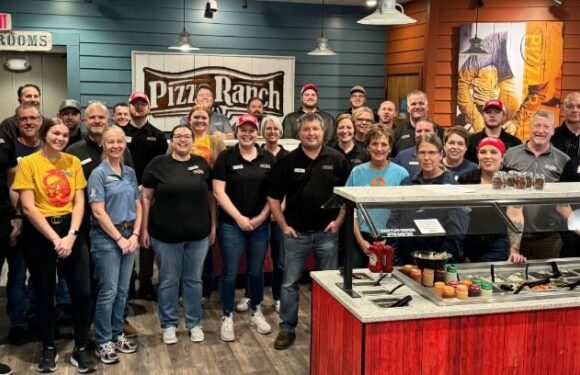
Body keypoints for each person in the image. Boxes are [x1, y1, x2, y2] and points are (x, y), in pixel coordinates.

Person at [12, 121, 96, 373]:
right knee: (44, 292)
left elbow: (80, 201)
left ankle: (80, 347)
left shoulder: (72, 162)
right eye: (55, 133)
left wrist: (71, 234)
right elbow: (27, 206)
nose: (61, 137)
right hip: (40, 232)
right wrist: (54, 239)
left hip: (71, 230)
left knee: (82, 291)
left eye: (64, 134)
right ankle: (48, 346)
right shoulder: (28, 163)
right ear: (44, 135)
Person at [268, 112, 348, 350]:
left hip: (328, 234)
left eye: (315, 129)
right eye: (306, 129)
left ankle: (327, 327)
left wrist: (339, 222)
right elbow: (273, 197)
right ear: (298, 132)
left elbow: (349, 196)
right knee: (289, 283)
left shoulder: (337, 159)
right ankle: (287, 328)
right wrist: (283, 225)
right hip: (296, 234)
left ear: (323, 132)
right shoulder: (287, 161)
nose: (311, 133)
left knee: (329, 283)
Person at [141, 124, 216, 345]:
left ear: (193, 141)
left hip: (198, 234)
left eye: (187, 136)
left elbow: (210, 198)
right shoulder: (157, 164)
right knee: (168, 280)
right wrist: (144, 228)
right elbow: (145, 198)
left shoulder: (202, 164)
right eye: (178, 136)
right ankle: (169, 324)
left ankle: (194, 323)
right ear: (171, 141)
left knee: (193, 280)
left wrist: (213, 225)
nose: (182, 140)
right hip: (165, 235)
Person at [213, 114, 275, 341]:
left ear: (257, 132)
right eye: (243, 129)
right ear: (237, 132)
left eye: (251, 130)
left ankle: (256, 311)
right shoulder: (226, 158)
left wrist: (261, 217)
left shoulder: (268, 158)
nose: (247, 134)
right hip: (231, 225)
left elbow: (275, 195)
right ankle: (227, 316)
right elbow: (218, 192)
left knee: (256, 271)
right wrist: (239, 217)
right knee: (229, 272)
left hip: (260, 225)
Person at [88, 125, 140, 364]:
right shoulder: (98, 173)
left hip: (130, 235)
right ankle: (103, 340)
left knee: (122, 290)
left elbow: (138, 204)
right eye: (111, 142)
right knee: (108, 290)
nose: (116, 146)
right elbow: (98, 211)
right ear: (104, 145)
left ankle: (117, 333)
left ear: (124, 144)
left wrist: (136, 234)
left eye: (119, 141)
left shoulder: (129, 172)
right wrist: (119, 238)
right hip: (107, 237)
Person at [388, 134, 469, 264]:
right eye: (422, 153)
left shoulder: (452, 186)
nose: (426, 158)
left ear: (441, 154)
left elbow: (456, 232)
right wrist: (395, 256)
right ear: (416, 155)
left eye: (432, 152)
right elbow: (394, 221)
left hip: (437, 259)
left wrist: (442, 260)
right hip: (405, 258)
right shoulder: (407, 183)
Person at [236, 116, 289, 314]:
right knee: (254, 260)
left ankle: (278, 297)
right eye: (268, 128)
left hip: (279, 217)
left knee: (280, 259)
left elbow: (287, 187)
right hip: (259, 216)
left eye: (276, 129)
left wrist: (279, 209)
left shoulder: (287, 156)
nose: (272, 132)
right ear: (262, 132)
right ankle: (250, 296)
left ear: (281, 132)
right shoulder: (257, 153)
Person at [503, 110, 570, 259]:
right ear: (530, 127)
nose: (540, 131)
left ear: (553, 131)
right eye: (537, 125)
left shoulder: (563, 160)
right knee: (513, 279)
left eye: (546, 127)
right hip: (511, 235)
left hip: (548, 237)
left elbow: (565, 202)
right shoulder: (510, 155)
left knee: (547, 280)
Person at [123, 91, 167, 301]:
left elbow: (162, 166)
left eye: (143, 104)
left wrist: (147, 186)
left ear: (149, 108)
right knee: (126, 234)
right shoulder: (119, 133)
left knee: (147, 235)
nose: (139, 107)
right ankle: (128, 280)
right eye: (135, 104)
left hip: (151, 192)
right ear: (129, 107)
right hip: (125, 193)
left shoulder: (157, 136)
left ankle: (147, 280)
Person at [345, 125, 409, 268]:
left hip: (392, 239)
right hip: (361, 238)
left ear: (390, 148)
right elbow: (351, 210)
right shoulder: (357, 172)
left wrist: (388, 239)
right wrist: (360, 240)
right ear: (367, 147)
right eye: (374, 143)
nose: (379, 148)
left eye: (384, 144)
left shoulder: (402, 174)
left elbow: (405, 213)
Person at [458, 137, 526, 263]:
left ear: (502, 157)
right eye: (483, 152)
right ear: (478, 156)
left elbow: (515, 216)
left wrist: (514, 250)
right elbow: (461, 215)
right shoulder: (466, 178)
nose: (487, 156)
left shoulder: (513, 178)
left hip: (498, 242)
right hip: (469, 242)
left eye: (493, 152)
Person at [186, 104, 226, 304]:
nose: (200, 121)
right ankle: (184, 288)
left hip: (208, 197)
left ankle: (205, 289)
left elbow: (221, 168)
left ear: (209, 121)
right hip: (184, 199)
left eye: (203, 118)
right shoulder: (182, 138)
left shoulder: (215, 141)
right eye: (196, 117)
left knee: (207, 245)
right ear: (189, 119)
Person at [0, 100, 17, 375]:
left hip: (4, 219)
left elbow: (13, 179)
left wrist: (18, 215)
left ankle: (19, 323)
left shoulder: (3, 142)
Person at [392, 90, 442, 156]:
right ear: (408, 108)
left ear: (427, 107)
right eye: (413, 104)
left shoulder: (440, 131)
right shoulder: (397, 133)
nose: (417, 107)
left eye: (421, 103)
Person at [552, 91, 580, 159]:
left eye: (579, 107)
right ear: (563, 110)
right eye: (570, 107)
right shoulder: (551, 136)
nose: (575, 110)